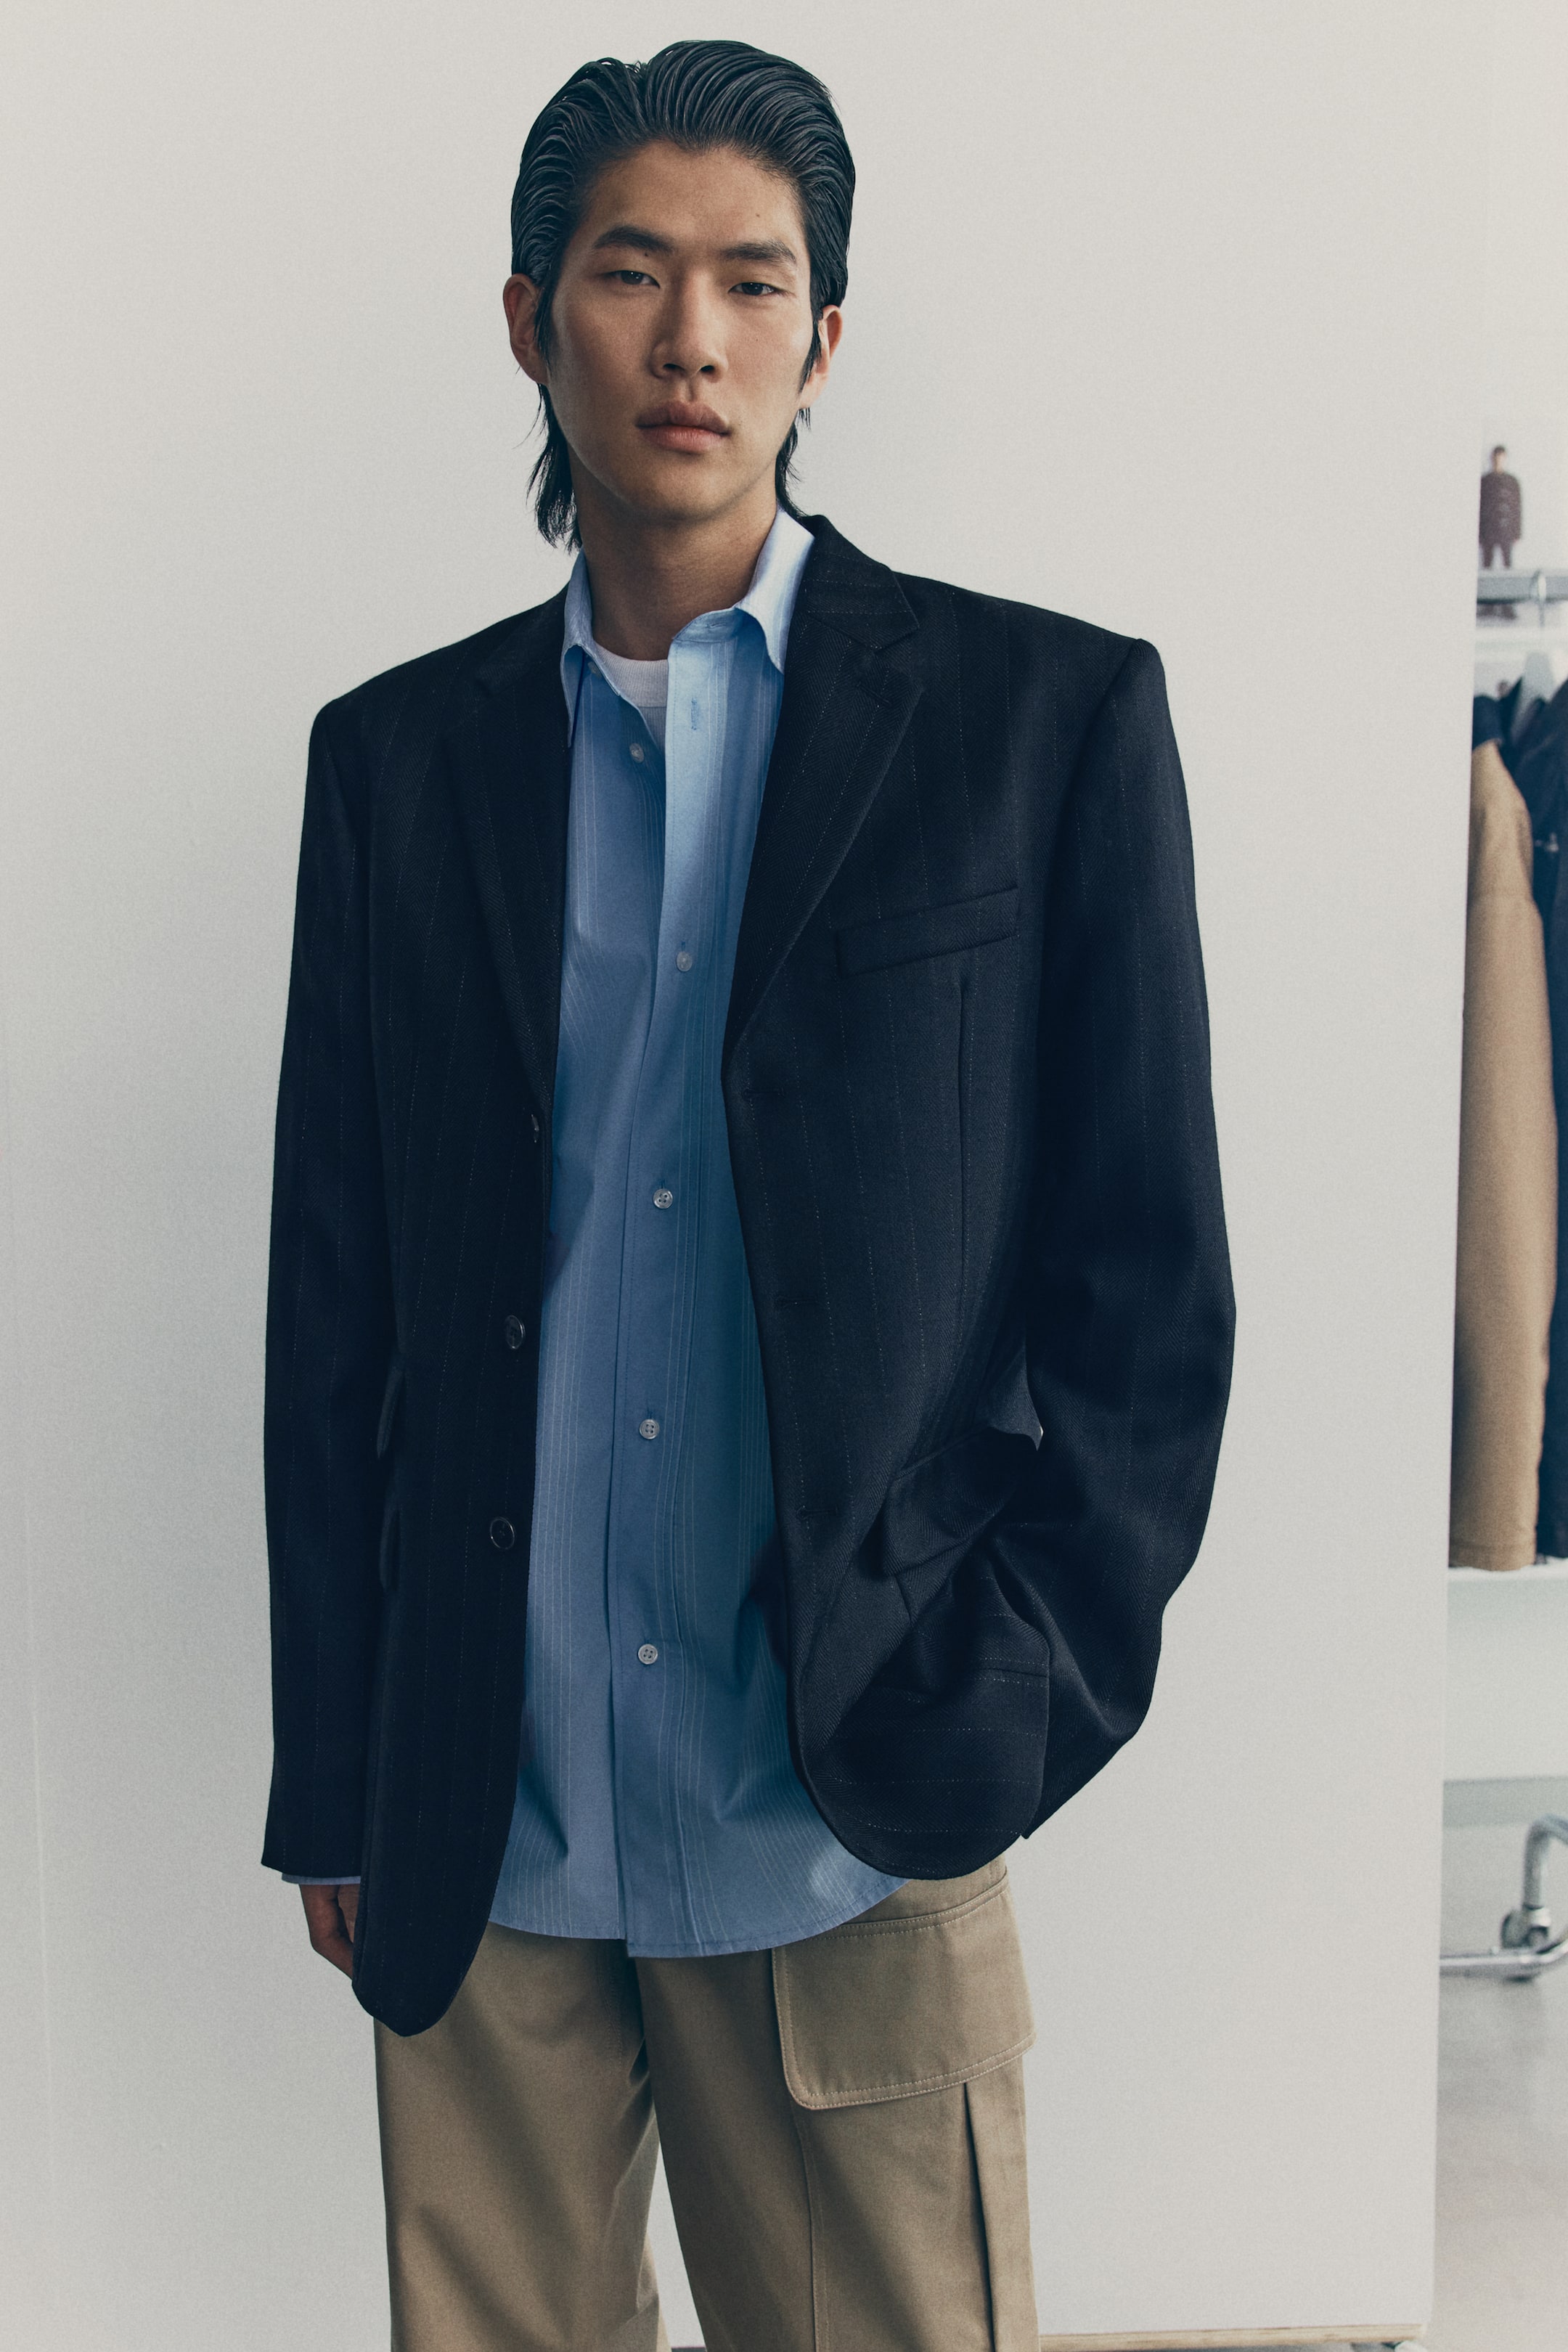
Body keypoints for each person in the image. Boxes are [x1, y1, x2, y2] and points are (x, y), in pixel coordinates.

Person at [261, 38, 1235, 2351]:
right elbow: (337, 1305)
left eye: (752, 280)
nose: (689, 337)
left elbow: (1148, 1294)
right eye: (629, 273)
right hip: (482, 1815)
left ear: (826, 334)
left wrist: (1016, 1692)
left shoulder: (1041, 727)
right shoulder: (399, 764)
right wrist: (337, 1767)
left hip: (854, 1798)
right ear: (533, 321)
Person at [1481, 444, 1523, 569]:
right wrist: (1480, 534)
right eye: (1496, 457)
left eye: (1501, 457)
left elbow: (1517, 509)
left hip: (1506, 529)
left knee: (1508, 563)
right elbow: (1481, 508)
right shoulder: (1485, 481)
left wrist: (1517, 532)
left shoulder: (1512, 482)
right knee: (1487, 563)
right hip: (1489, 529)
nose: (1498, 461)